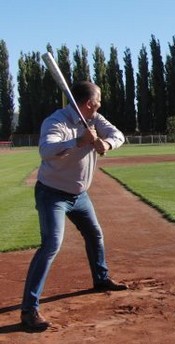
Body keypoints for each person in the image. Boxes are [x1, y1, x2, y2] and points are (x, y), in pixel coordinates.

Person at [20, 81, 127, 331]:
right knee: (51, 244)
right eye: (98, 100)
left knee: (94, 235)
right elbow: (46, 150)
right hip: (52, 194)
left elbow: (118, 135)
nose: (100, 104)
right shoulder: (56, 121)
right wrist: (79, 141)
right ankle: (29, 310)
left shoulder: (95, 118)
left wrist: (105, 144)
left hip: (80, 195)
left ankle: (100, 280)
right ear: (89, 103)